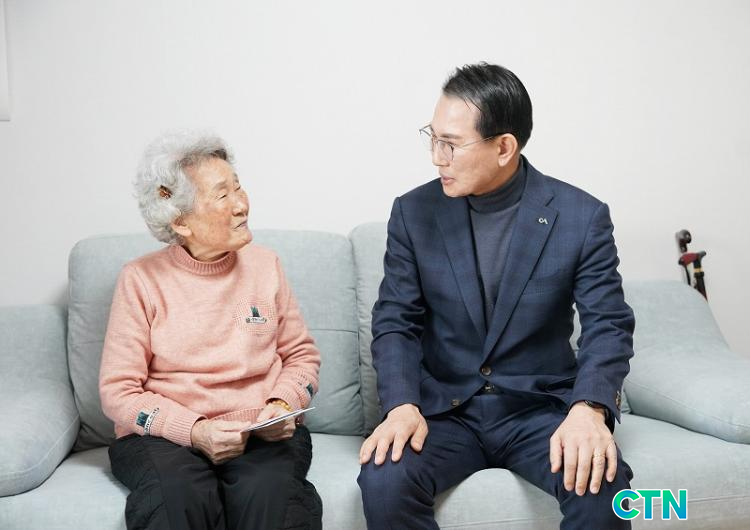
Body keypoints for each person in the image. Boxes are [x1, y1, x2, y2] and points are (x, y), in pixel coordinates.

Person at [357, 63, 635, 529]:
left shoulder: (581, 216)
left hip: (539, 411)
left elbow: (608, 323)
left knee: (604, 491)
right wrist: (402, 405)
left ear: (504, 146)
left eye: (451, 144)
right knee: (385, 479)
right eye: (433, 138)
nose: (437, 158)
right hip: (445, 412)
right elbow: (395, 322)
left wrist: (589, 408)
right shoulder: (413, 212)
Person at [99, 131, 323, 530]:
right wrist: (194, 430)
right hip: (165, 438)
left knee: (277, 504)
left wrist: (283, 403)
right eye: (222, 195)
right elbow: (118, 392)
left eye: (238, 186)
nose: (241, 204)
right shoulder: (140, 280)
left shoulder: (266, 266)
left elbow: (301, 357)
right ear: (180, 221)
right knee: (174, 501)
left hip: (260, 434)